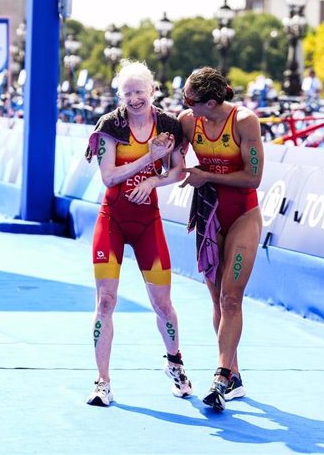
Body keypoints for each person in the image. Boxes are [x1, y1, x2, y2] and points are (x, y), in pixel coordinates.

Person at [83, 59, 192, 407]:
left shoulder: (169, 125)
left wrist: (154, 180)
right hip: (112, 219)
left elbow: (179, 171)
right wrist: (149, 159)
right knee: (106, 302)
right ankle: (102, 381)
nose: (134, 99)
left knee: (163, 305)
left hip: (147, 222)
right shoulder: (110, 125)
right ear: (120, 96)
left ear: (152, 91)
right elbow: (109, 177)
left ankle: (174, 363)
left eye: (139, 92)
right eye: (127, 93)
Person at [178, 66, 264, 411]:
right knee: (216, 301)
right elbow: (171, 156)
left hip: (243, 215)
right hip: (209, 217)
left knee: (231, 299)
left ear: (212, 101)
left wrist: (207, 175)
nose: (185, 106)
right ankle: (234, 373)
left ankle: (221, 375)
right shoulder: (188, 120)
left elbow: (253, 177)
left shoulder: (245, 121)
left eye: (190, 100)